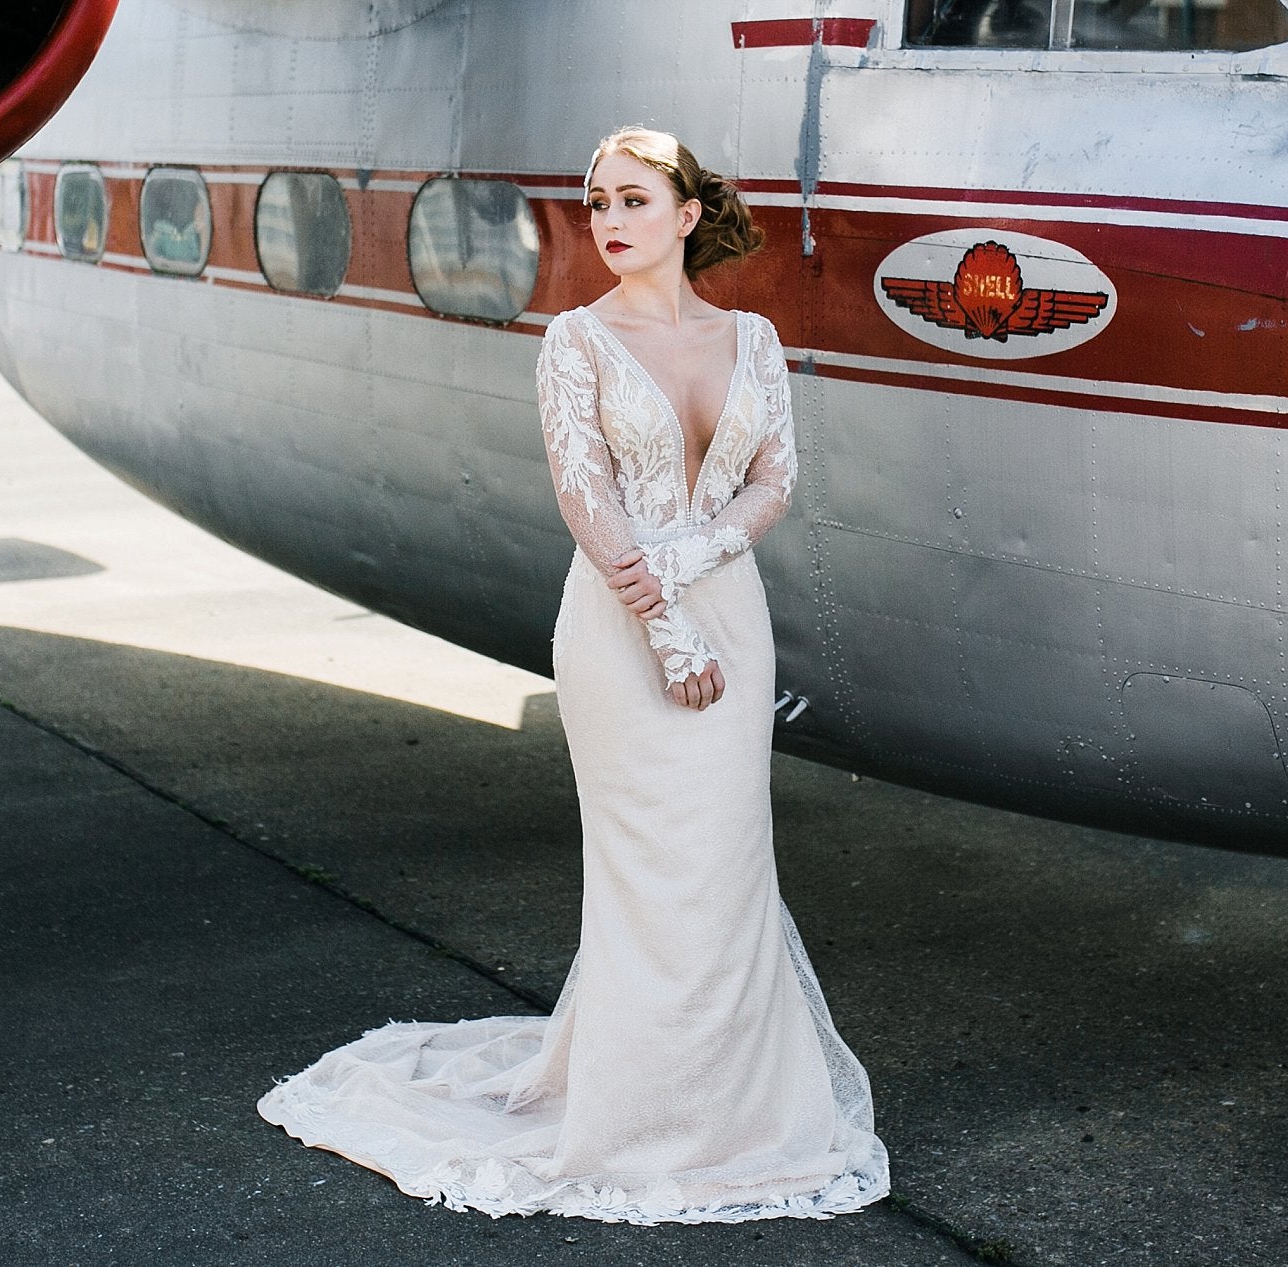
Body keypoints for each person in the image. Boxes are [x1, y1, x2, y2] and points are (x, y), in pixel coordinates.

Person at [257, 126, 890, 1225]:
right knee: (652, 874)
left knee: (725, 865)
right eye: (598, 201)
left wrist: (694, 563)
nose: (609, 220)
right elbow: (585, 501)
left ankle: (736, 1109)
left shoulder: (753, 335)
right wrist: (668, 628)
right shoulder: (577, 340)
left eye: (635, 200)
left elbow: (775, 482)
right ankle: (640, 1114)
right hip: (619, 629)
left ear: (688, 215)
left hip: (730, 609)